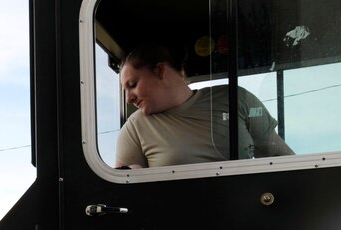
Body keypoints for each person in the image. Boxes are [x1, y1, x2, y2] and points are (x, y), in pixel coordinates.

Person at [115, 44, 293, 168]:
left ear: (160, 71)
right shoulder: (134, 128)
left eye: (132, 84)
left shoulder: (236, 99)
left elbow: (281, 160)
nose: (129, 98)